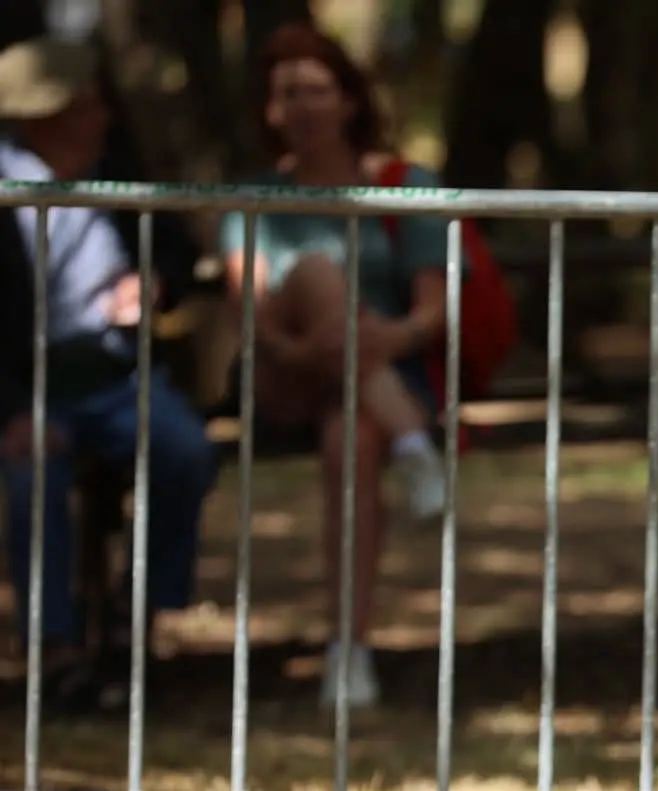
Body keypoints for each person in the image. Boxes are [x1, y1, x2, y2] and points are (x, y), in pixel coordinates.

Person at [217, 21, 456, 710]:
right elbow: (251, 313)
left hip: (378, 377)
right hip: (283, 370)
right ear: (269, 110)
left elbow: (433, 309)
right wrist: (320, 347)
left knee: (348, 441)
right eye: (286, 93)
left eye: (316, 90)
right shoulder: (256, 197)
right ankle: (417, 446)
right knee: (320, 270)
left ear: (348, 100)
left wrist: (380, 340)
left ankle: (347, 653)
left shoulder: (403, 183)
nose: (302, 106)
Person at [0, 33, 219, 712]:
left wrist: (151, 286)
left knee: (184, 451)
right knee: (34, 473)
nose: (100, 116)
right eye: (85, 105)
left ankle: (137, 618)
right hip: (21, 382)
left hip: (114, 377)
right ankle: (57, 648)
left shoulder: (115, 172)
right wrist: (10, 408)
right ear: (47, 116)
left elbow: (180, 256)